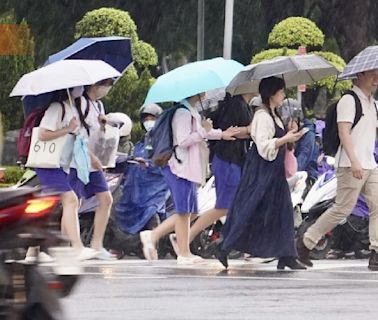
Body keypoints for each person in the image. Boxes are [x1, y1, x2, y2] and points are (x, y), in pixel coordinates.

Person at [215, 76, 305, 270]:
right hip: (261, 170)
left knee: (283, 211)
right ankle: (224, 246)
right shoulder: (262, 116)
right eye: (280, 91)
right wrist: (284, 138)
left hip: (274, 171)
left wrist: (290, 133)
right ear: (272, 94)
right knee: (250, 208)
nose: (283, 95)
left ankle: (286, 254)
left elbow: (279, 141)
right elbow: (263, 145)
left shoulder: (275, 114)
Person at [139, 93, 240, 265]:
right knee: (184, 211)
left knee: (192, 211)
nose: (206, 93)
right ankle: (182, 252)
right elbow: (184, 140)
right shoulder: (183, 113)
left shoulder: (190, 111)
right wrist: (204, 130)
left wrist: (221, 134)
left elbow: (199, 134)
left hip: (187, 167)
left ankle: (158, 236)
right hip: (178, 166)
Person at [297, 69, 378, 270]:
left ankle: (375, 252)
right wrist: (354, 160)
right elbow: (344, 133)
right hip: (351, 164)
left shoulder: (373, 103)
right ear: (359, 75)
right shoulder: (349, 101)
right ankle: (306, 242)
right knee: (343, 208)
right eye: (372, 74)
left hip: (370, 164)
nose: (376, 79)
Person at [27, 88, 98, 262]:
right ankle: (77, 248)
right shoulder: (57, 108)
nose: (82, 89)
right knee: (71, 200)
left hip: (61, 165)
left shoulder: (75, 109)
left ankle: (33, 251)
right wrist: (68, 129)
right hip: (48, 164)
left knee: (48, 207)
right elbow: (43, 134)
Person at [181, 93, 255, 250]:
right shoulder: (237, 105)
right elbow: (231, 131)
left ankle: (241, 243)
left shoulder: (241, 104)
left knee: (233, 204)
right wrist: (251, 129)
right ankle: (186, 237)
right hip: (228, 160)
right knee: (224, 206)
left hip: (232, 160)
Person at [68, 79, 116, 260]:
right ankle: (69, 246)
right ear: (96, 85)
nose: (107, 89)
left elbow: (96, 134)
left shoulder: (99, 106)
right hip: (78, 161)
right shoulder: (80, 103)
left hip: (94, 164)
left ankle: (97, 244)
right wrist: (90, 156)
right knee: (72, 203)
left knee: (106, 199)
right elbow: (77, 135)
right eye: (107, 85)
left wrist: (104, 124)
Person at [115, 103, 171, 234]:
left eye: (152, 119)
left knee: (150, 211)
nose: (148, 122)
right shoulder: (141, 143)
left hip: (154, 190)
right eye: (145, 120)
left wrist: (149, 165)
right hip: (135, 189)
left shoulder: (164, 140)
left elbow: (164, 163)